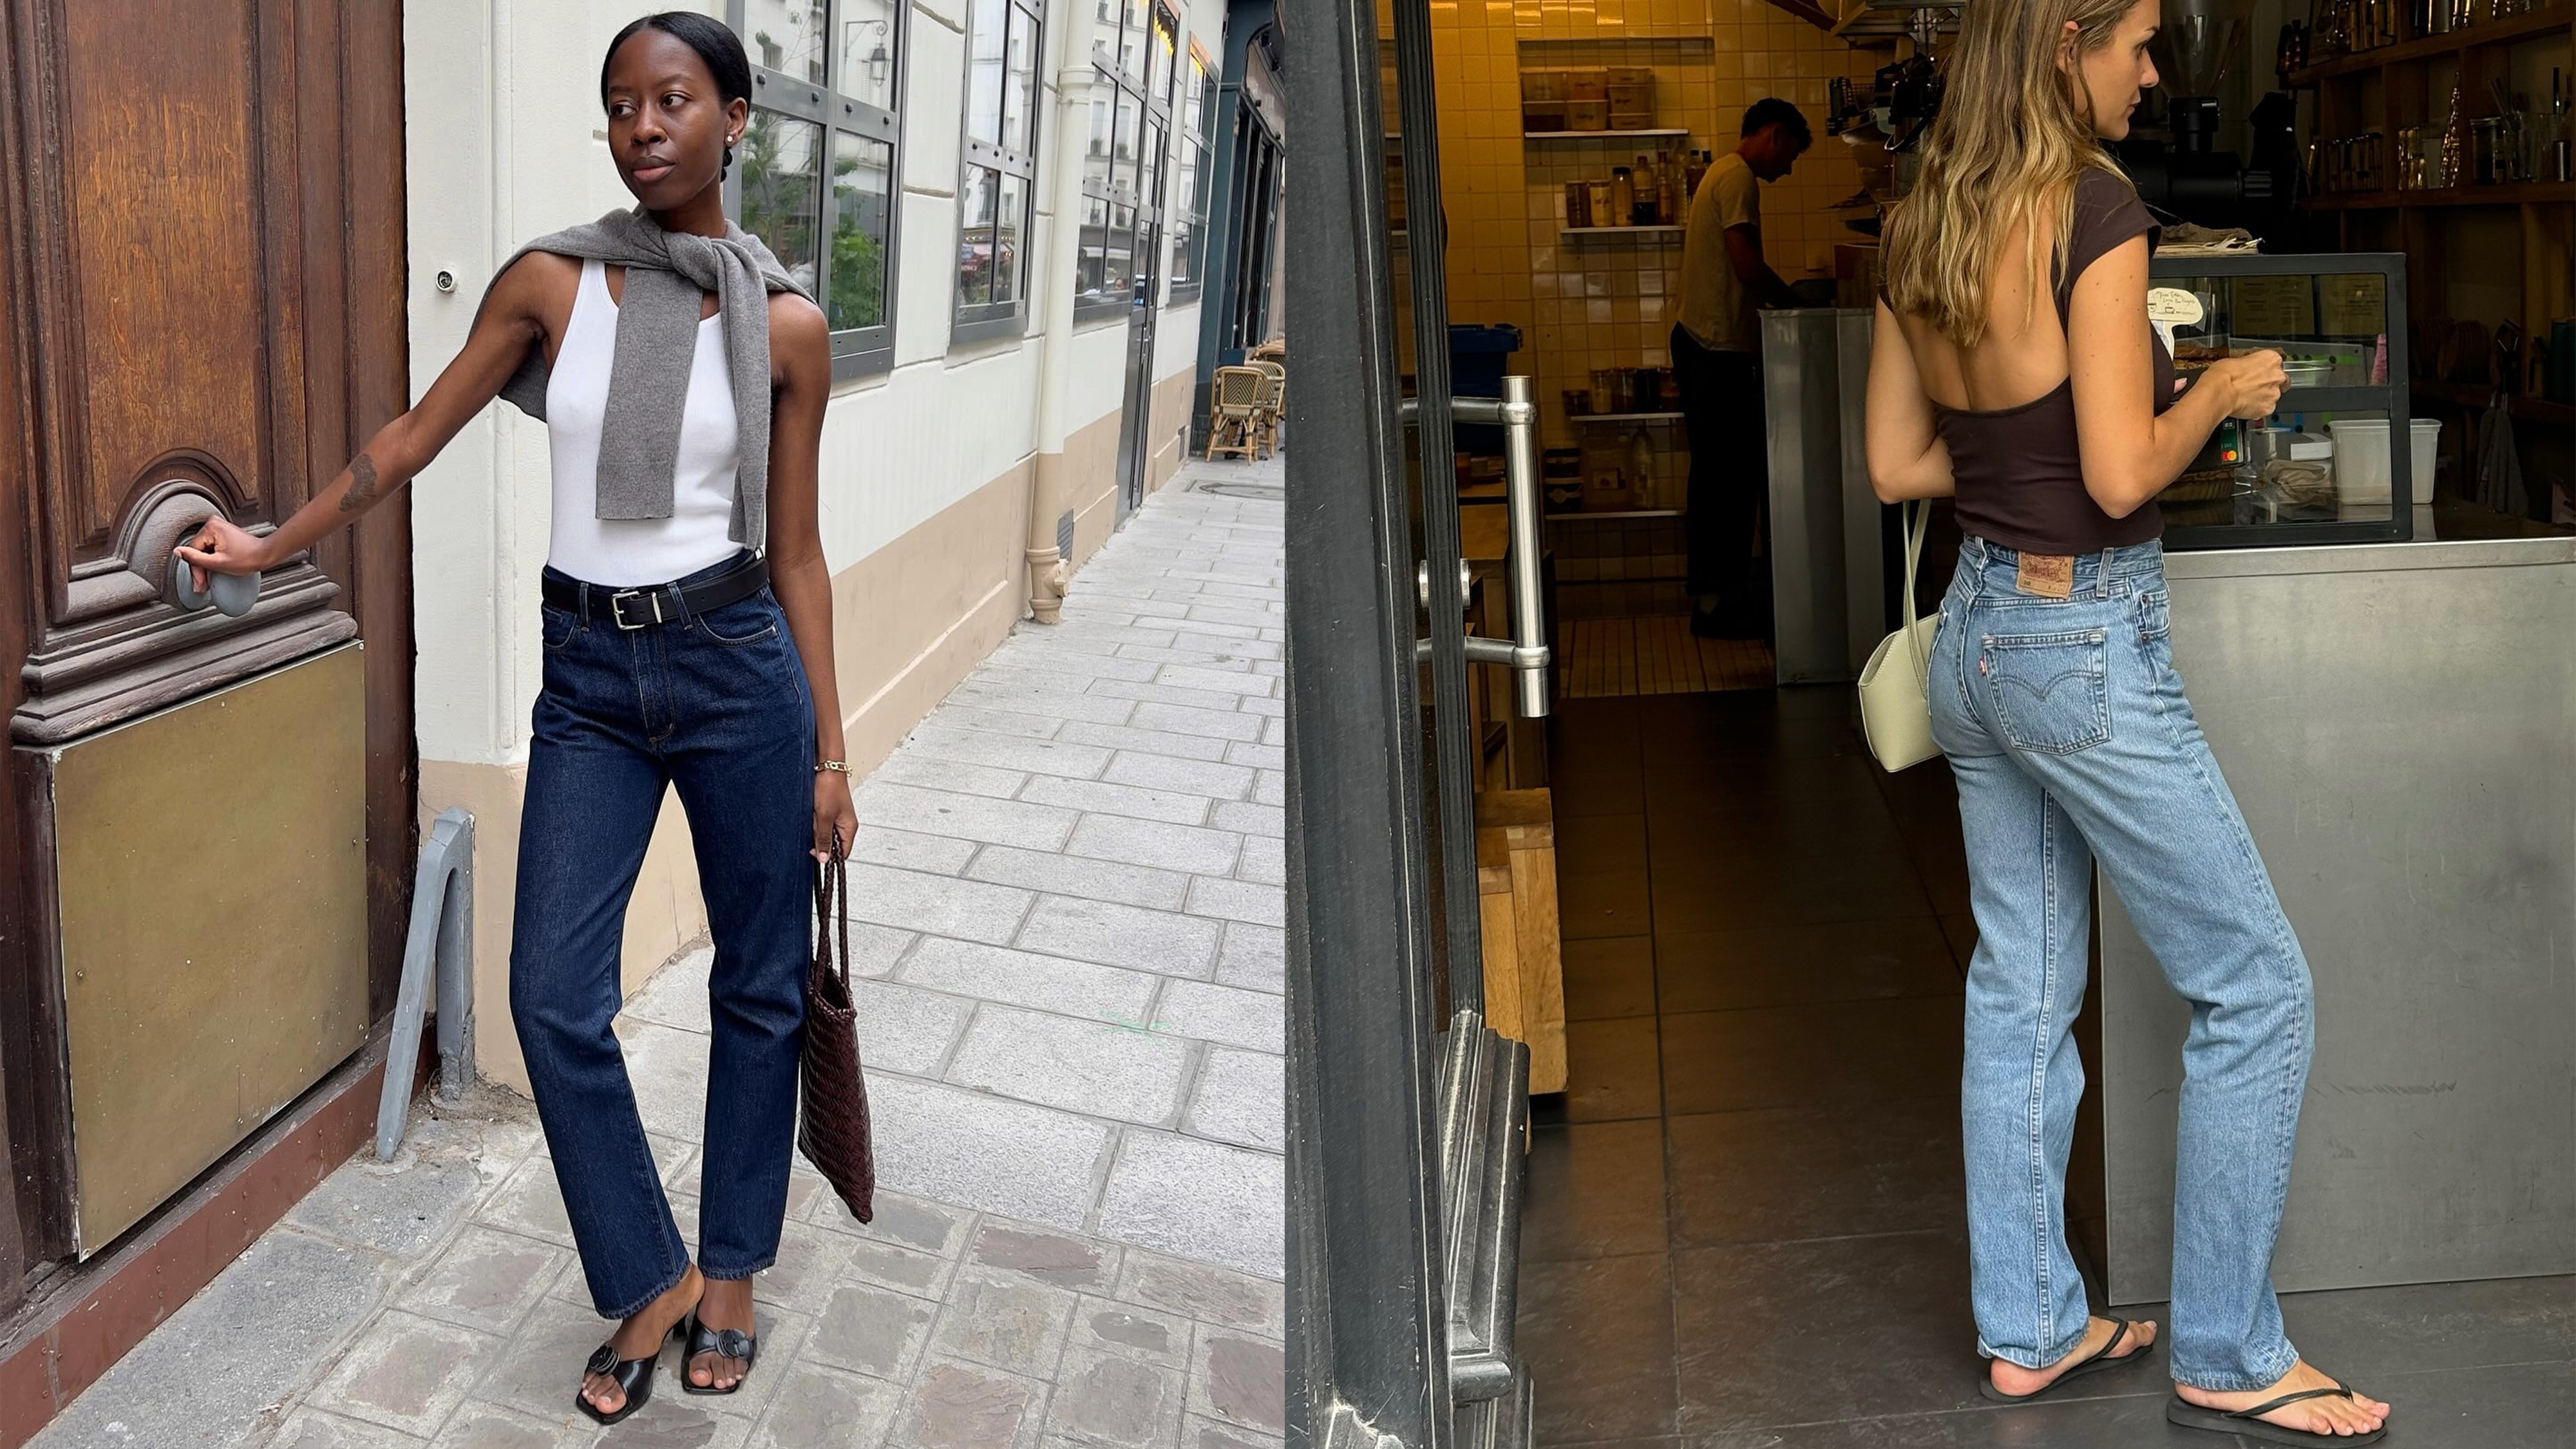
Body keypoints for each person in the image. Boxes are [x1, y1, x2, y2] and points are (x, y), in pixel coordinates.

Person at [176, 12, 854, 1426]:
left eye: (672, 100)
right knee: (549, 994)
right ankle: (647, 1275)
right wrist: (271, 543)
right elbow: (407, 442)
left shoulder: (786, 326)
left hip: (739, 664)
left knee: (759, 983)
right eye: (619, 104)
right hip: (593, 680)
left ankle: (730, 1273)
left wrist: (833, 750)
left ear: (737, 117)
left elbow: (795, 550)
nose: (643, 127)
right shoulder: (555, 283)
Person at [1863, 0, 2394, 1443]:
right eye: (2136, 44)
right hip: (2080, 636)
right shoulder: (2090, 211)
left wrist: (1998, 440)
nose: (2151, 73)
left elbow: (1894, 460)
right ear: (2059, 42)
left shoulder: (1918, 220)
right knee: (2256, 986)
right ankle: (2226, 1349)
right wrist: (2211, 393)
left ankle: (2031, 1324)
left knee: (2019, 992)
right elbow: (2115, 478)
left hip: (1974, 636)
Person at [1672, 97, 1808, 639]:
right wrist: (1797, 303)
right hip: (1714, 348)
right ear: (1774, 136)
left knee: (1720, 477)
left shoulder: (1723, 175)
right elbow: (1746, 264)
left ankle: (1717, 596)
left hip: (1708, 344)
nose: (1789, 168)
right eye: (1792, 154)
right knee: (1724, 479)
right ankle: (1715, 603)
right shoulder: (1738, 179)